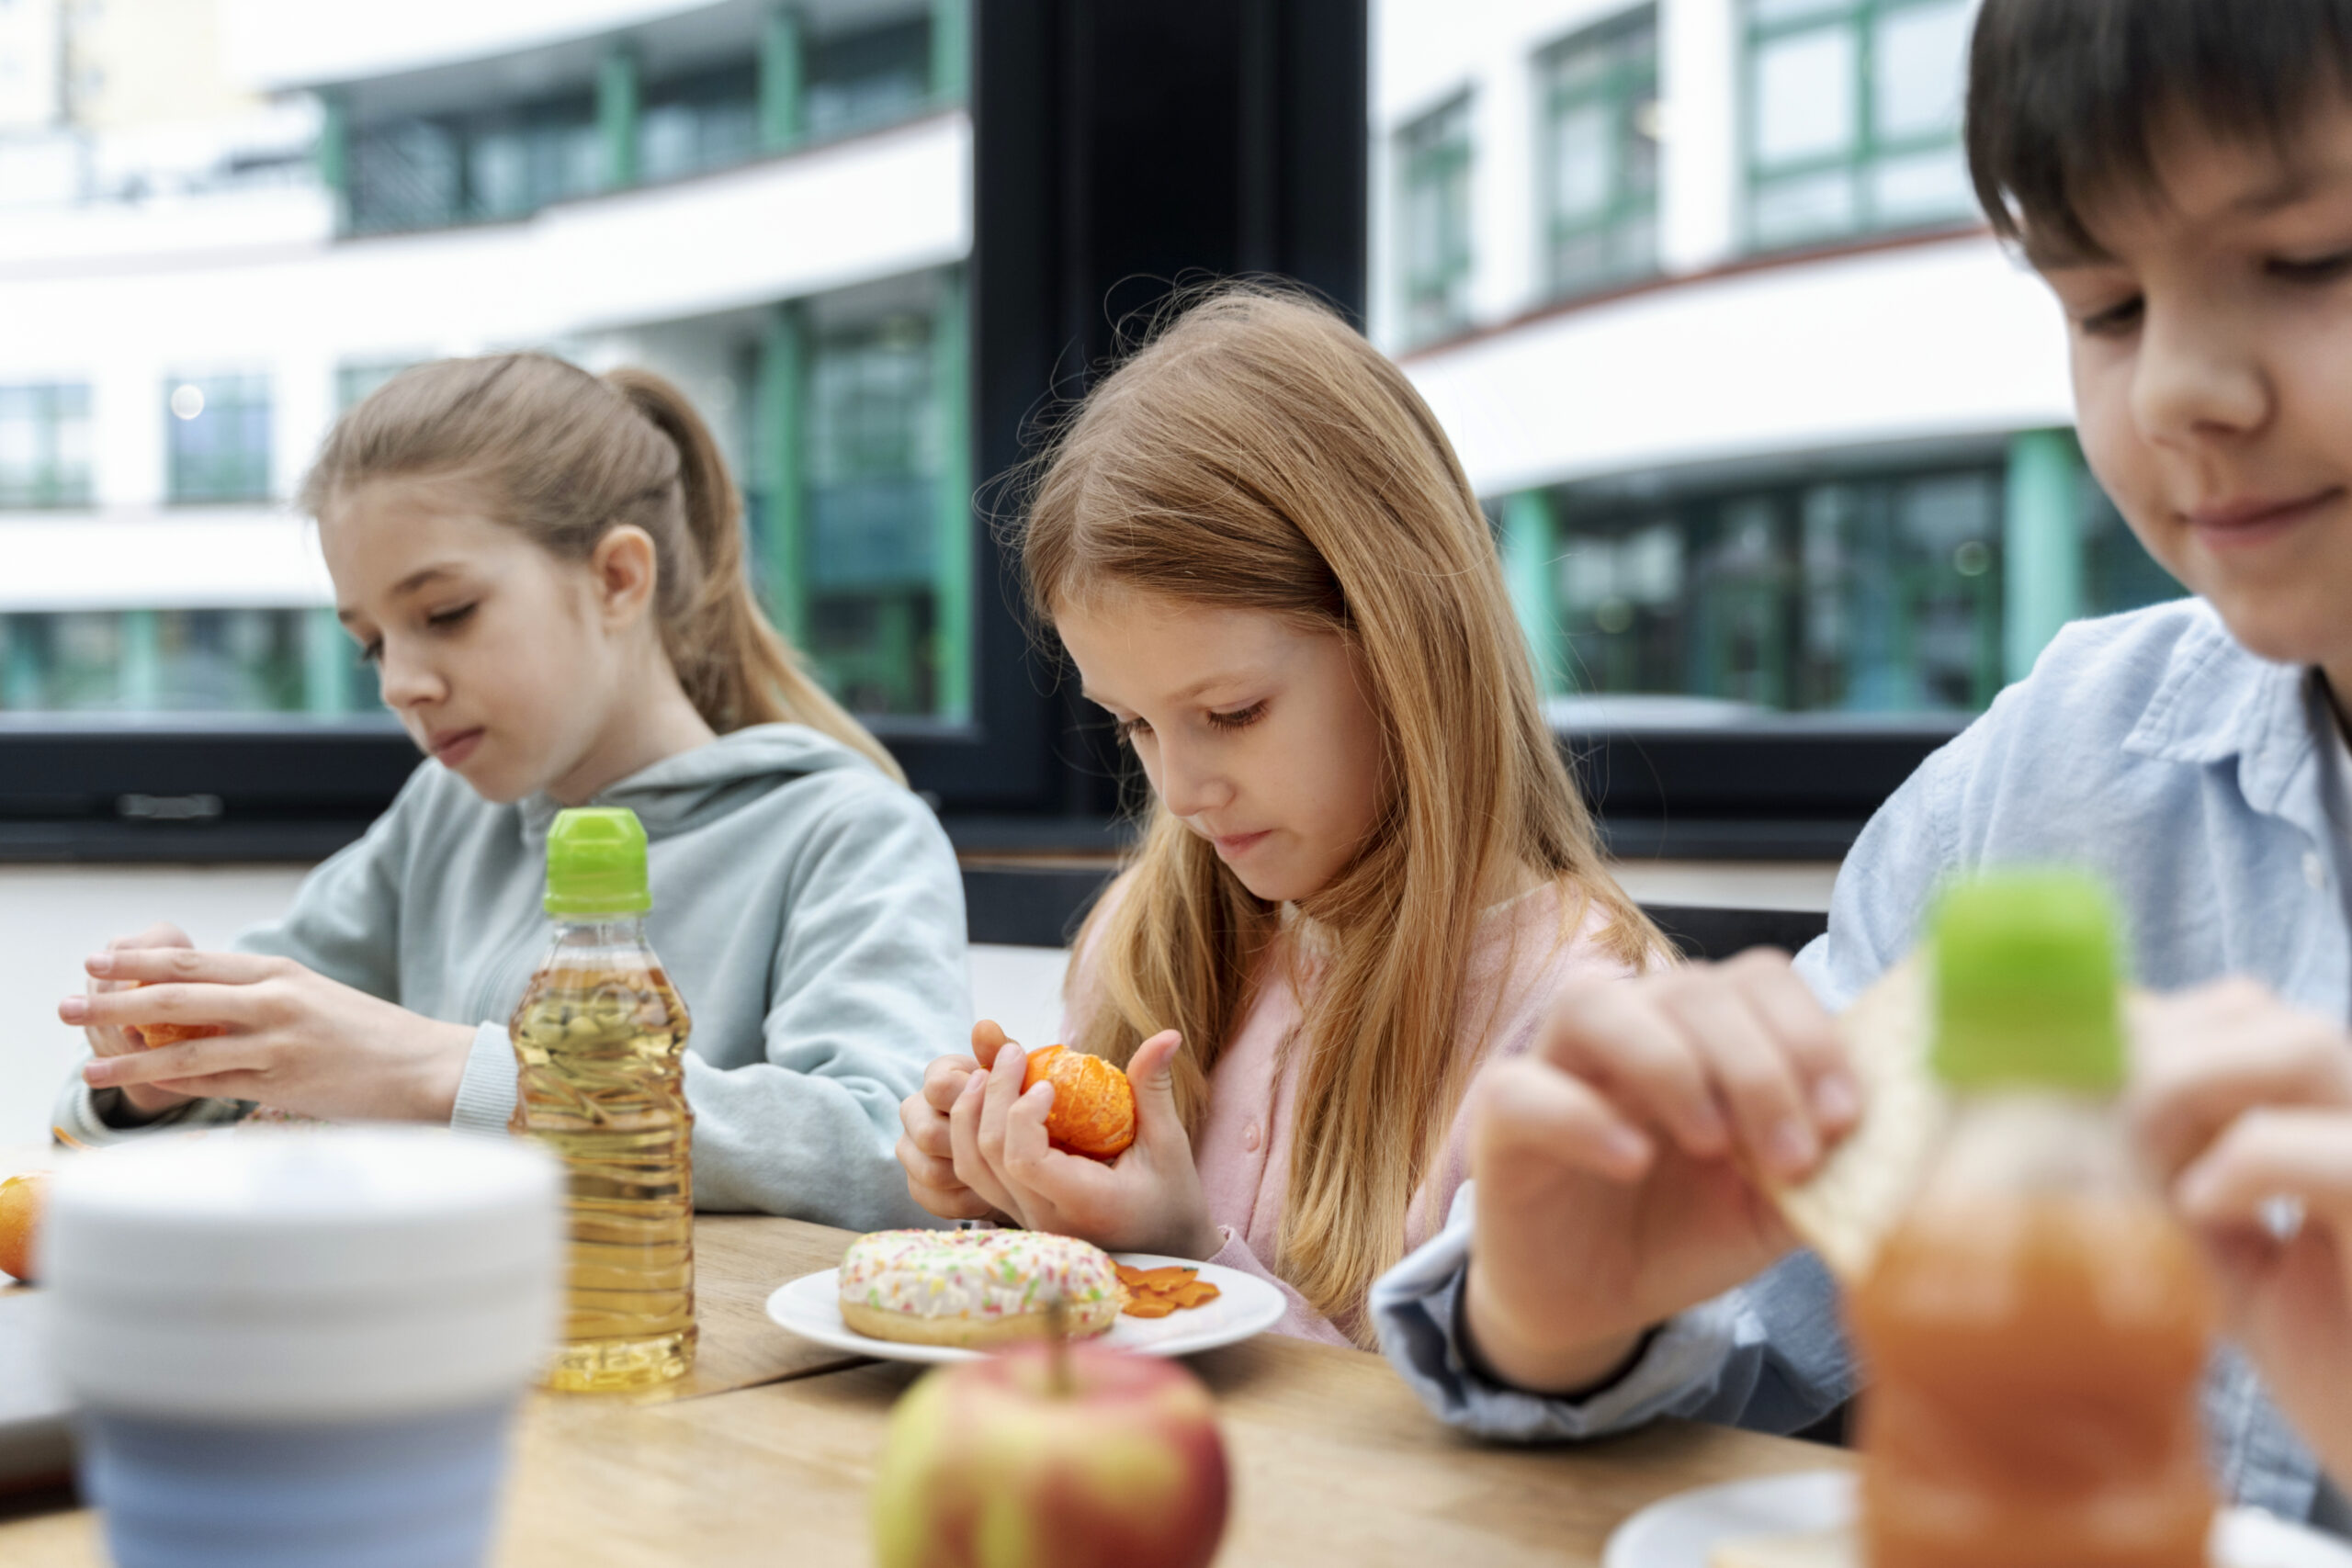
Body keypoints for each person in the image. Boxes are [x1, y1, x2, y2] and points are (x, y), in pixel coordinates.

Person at [1368, 0, 2352, 1528]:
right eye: (2103, 307)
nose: (2174, 392)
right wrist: (1561, 1311)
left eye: (2312, 259)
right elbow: (1712, 1326)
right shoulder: (2051, 786)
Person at [894, 285, 1669, 1346]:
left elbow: (1483, 1453)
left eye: (1230, 712)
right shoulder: (1142, 938)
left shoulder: (1586, 1027)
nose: (1180, 791)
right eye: (1134, 727)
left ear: (1408, 640)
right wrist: (1017, 1203)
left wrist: (1182, 1259)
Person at [51, 354, 962, 1229]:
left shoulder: (846, 833)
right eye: (371, 642)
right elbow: (146, 1115)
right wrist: (159, 1074)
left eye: (445, 614)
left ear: (617, 578)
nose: (398, 683)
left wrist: (449, 1073)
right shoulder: (443, 816)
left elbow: (893, 1155)